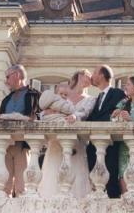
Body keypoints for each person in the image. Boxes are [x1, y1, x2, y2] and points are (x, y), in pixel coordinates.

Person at [39, 69, 95, 198]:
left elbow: (85, 113)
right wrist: (48, 113)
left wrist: (75, 116)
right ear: (80, 76)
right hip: (56, 142)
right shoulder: (61, 92)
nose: (90, 79)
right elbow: (44, 111)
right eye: (88, 76)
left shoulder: (90, 99)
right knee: (52, 177)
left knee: (76, 178)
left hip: (76, 144)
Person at [0, 64, 40, 197]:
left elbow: (38, 117)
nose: (6, 80)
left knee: (23, 187)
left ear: (17, 75)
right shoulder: (6, 99)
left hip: (24, 145)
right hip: (5, 145)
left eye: (7, 76)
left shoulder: (34, 95)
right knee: (4, 186)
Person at [86, 65, 126, 198]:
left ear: (102, 75)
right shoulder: (97, 97)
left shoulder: (117, 93)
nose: (92, 76)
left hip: (110, 144)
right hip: (94, 145)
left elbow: (116, 116)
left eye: (94, 73)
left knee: (111, 180)